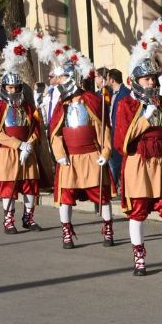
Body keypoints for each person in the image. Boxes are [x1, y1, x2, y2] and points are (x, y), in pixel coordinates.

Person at [114, 22, 162, 276]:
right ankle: (140, 258)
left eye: (153, 78)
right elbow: (122, 141)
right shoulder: (126, 104)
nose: (151, 82)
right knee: (138, 211)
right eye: (146, 78)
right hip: (138, 162)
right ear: (135, 80)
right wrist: (145, 117)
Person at [48, 53, 114, 249]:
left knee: (101, 195)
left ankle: (108, 228)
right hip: (69, 158)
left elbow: (103, 129)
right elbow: (55, 133)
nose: (60, 82)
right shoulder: (62, 104)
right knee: (65, 196)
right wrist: (59, 155)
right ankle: (67, 231)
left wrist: (105, 153)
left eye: (64, 78)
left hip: (92, 156)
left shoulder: (92, 100)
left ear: (74, 77)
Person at [0, 40, 43, 234]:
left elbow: (35, 127)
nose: (13, 91)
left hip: (27, 151)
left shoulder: (27, 106)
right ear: (4, 88)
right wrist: (18, 144)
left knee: (29, 185)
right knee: (9, 186)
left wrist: (29, 144)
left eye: (16, 88)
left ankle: (28, 217)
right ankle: (8, 220)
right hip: (8, 153)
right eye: (9, 88)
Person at [106, 69, 130, 191]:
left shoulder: (125, 93)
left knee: (119, 161)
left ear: (112, 79)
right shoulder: (112, 93)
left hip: (121, 132)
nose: (106, 81)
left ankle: (120, 186)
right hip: (113, 131)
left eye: (107, 78)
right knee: (115, 161)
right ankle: (117, 185)